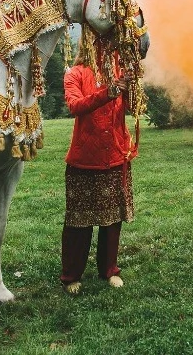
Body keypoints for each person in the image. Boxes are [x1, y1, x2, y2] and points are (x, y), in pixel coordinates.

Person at [60, 54, 135, 295]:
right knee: (78, 221)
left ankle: (109, 269)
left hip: (115, 153)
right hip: (84, 158)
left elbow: (132, 107)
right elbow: (75, 106)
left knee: (112, 218)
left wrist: (133, 86)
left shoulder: (119, 68)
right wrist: (110, 91)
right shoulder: (75, 73)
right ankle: (72, 275)